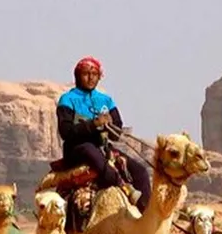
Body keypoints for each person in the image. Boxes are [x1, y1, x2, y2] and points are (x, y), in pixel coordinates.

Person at [56, 56, 151, 211]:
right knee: (94, 155)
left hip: (103, 147)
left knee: (140, 171)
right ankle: (124, 187)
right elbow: (65, 132)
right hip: (78, 148)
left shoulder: (106, 100)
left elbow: (116, 133)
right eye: (86, 73)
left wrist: (110, 125)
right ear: (77, 76)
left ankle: (145, 212)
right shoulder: (67, 99)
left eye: (94, 74)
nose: (90, 77)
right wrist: (93, 124)